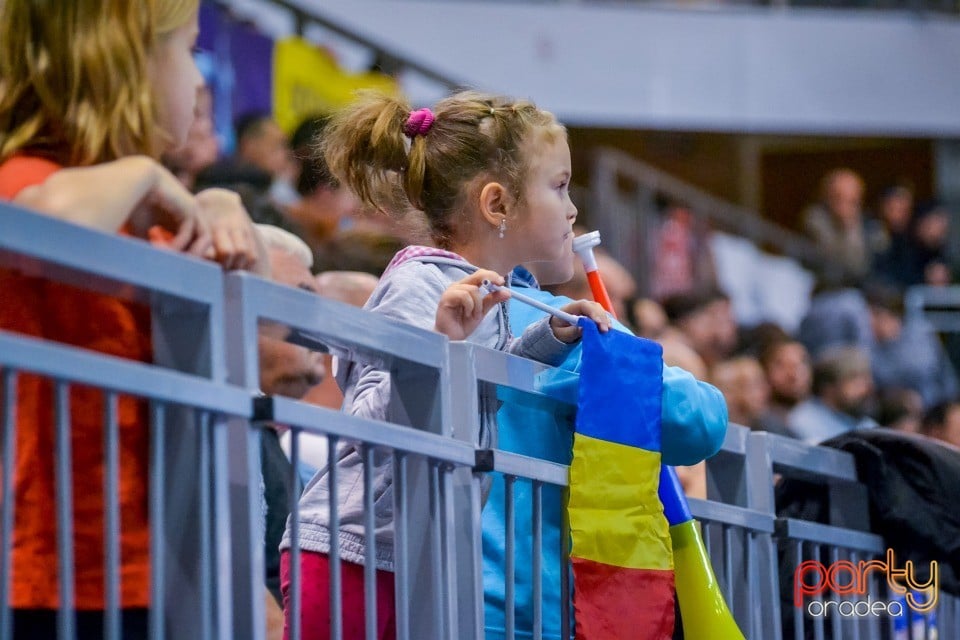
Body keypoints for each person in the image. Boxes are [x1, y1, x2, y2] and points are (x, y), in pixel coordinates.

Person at [280, 91, 610, 640]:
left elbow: (476, 389)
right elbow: (369, 420)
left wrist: (548, 338)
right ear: (497, 205)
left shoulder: (491, 297)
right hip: (350, 551)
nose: (573, 209)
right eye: (559, 185)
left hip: (416, 552)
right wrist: (439, 346)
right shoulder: (421, 285)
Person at [0, 1, 265, 637]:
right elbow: (45, 220)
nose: (201, 79)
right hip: (50, 575)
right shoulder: (36, 178)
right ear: (119, 63)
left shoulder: (136, 207)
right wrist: (148, 172)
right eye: (185, 50)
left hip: (150, 564)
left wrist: (218, 200)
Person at [482, 259, 727, 640]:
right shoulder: (550, 312)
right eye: (561, 194)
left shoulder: (424, 291)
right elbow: (701, 421)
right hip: (536, 613)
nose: (572, 209)